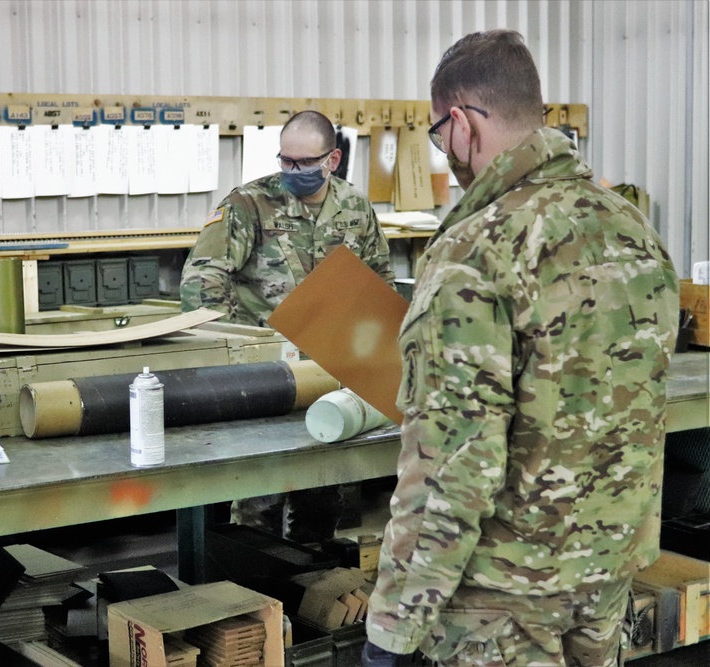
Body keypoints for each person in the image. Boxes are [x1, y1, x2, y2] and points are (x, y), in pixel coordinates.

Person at [362, 30, 679, 667]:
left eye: (437, 134)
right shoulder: (629, 226)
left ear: (461, 124)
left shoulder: (475, 249)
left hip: (502, 595)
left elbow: (454, 461)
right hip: (606, 568)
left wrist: (396, 624)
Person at [180, 110, 396, 543]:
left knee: (324, 494)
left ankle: (310, 590)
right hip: (265, 375)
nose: (293, 172)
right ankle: (252, 588)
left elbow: (380, 283)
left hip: (331, 372)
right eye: (286, 161)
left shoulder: (354, 207)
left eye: (305, 163)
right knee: (259, 497)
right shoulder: (249, 204)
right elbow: (202, 279)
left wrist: (375, 361)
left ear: (332, 159)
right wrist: (235, 352)